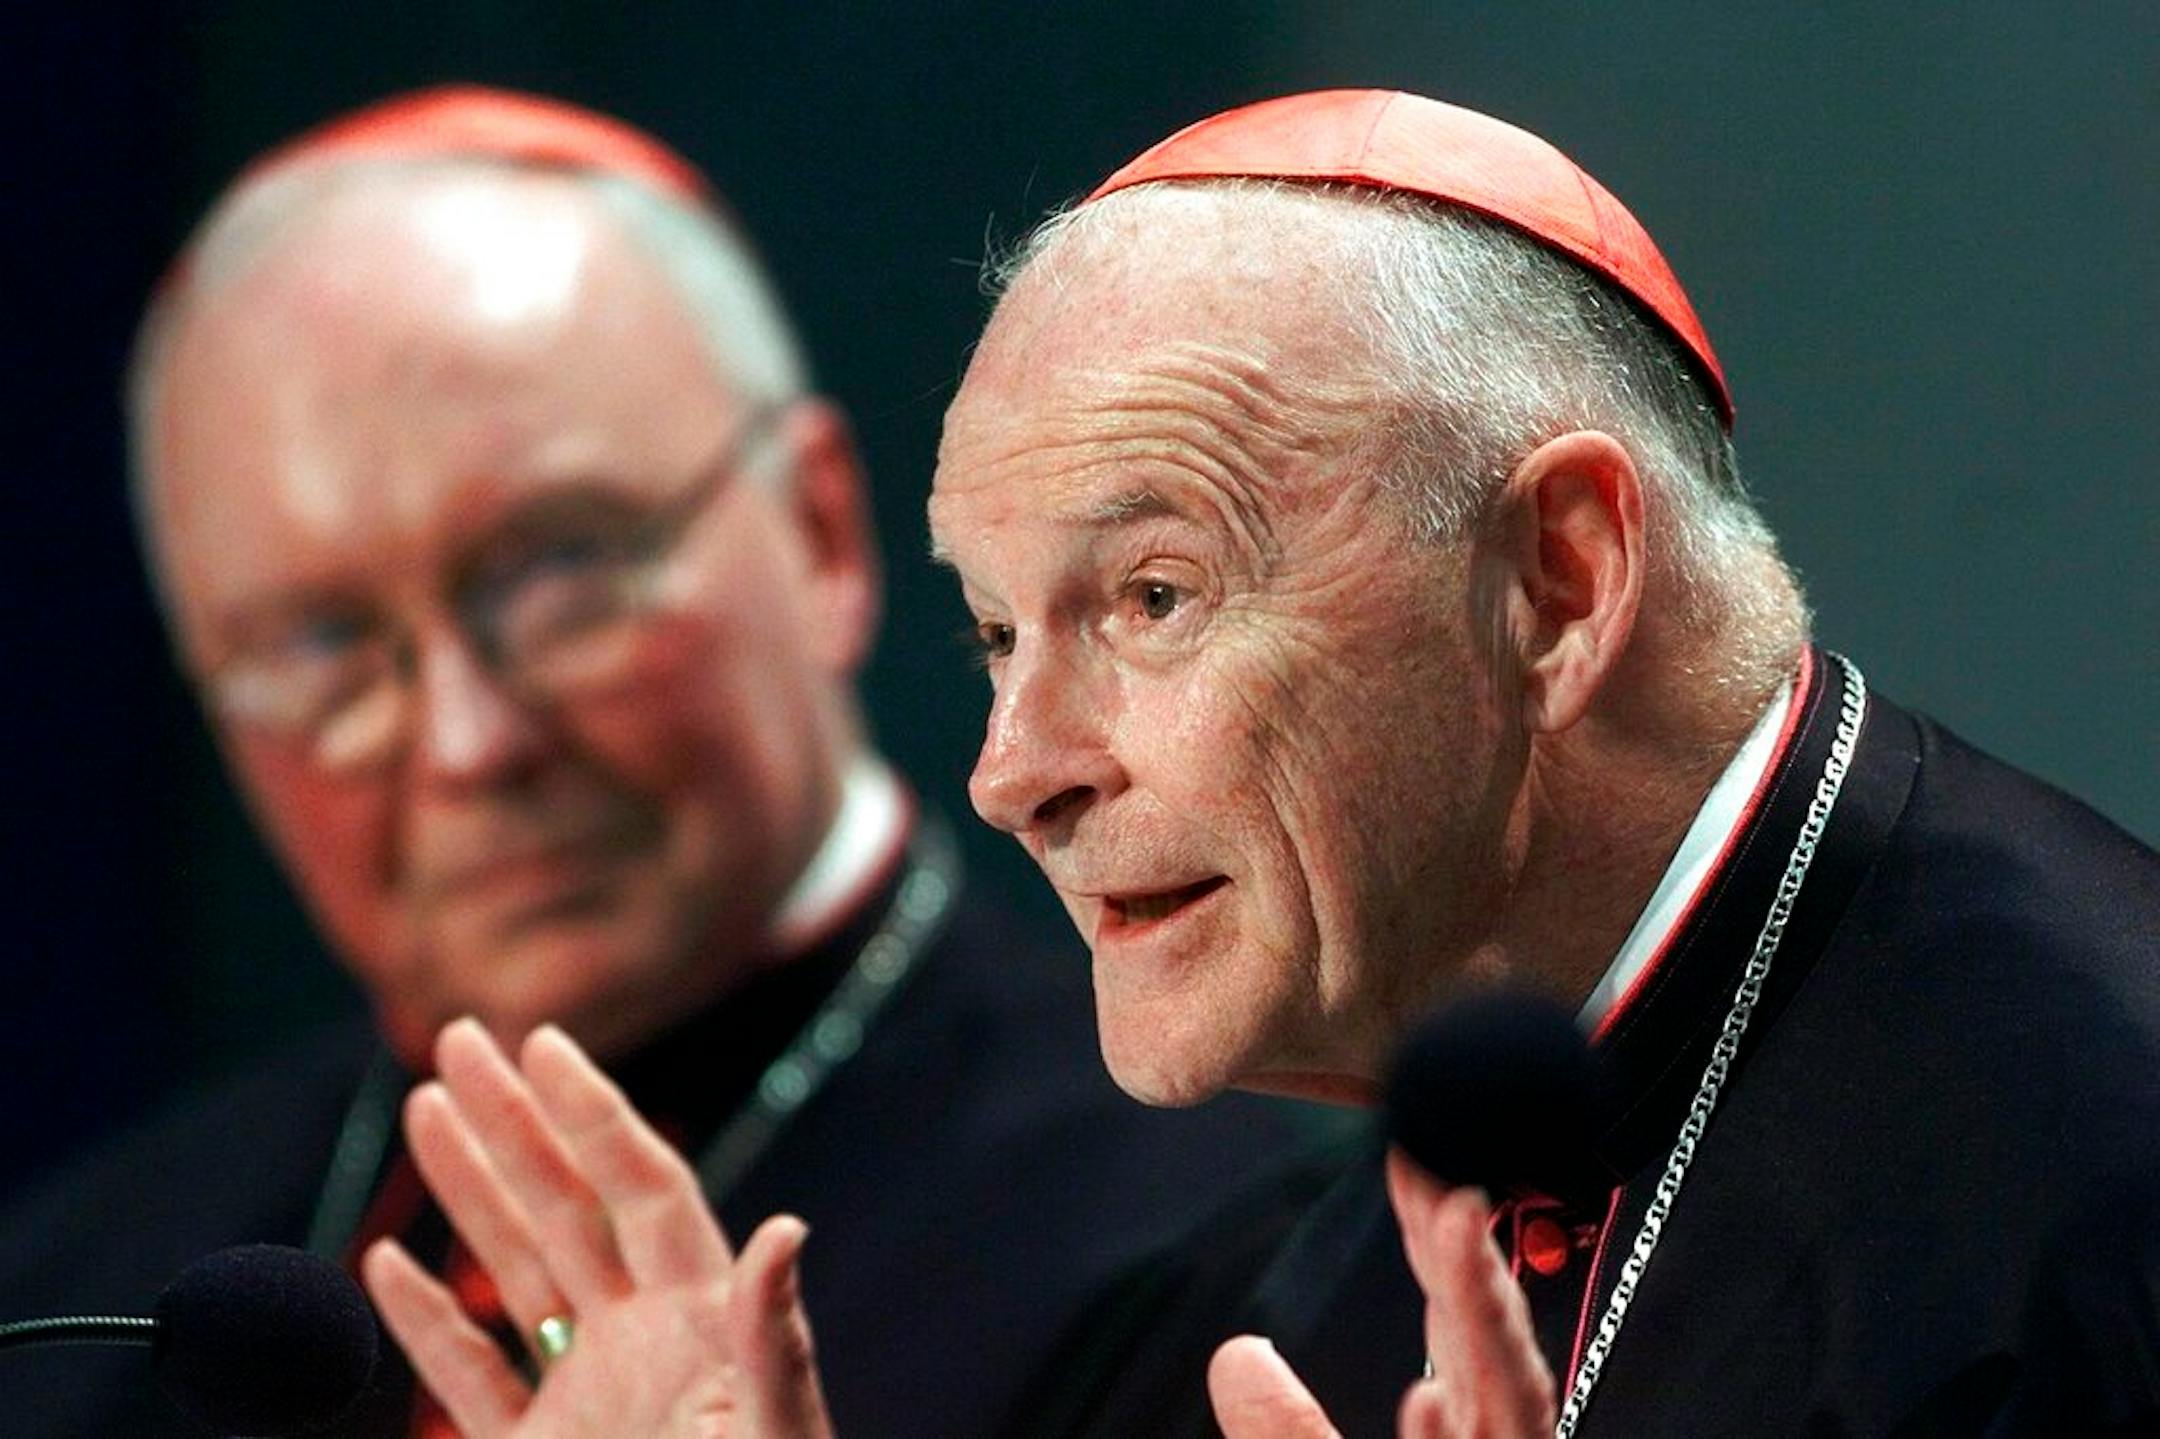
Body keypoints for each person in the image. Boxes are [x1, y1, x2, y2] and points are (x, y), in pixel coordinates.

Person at [367, 89, 2160, 1436]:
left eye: (1152, 597)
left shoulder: (2101, 1178)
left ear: (1559, 582)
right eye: (998, 636)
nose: (1013, 774)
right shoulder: (1283, 1269)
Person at [0, 86, 1319, 1439]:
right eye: (322, 642)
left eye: (560, 569)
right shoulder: (75, 1301)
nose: (469, 743)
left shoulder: (1231, 1257)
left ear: (820, 534)